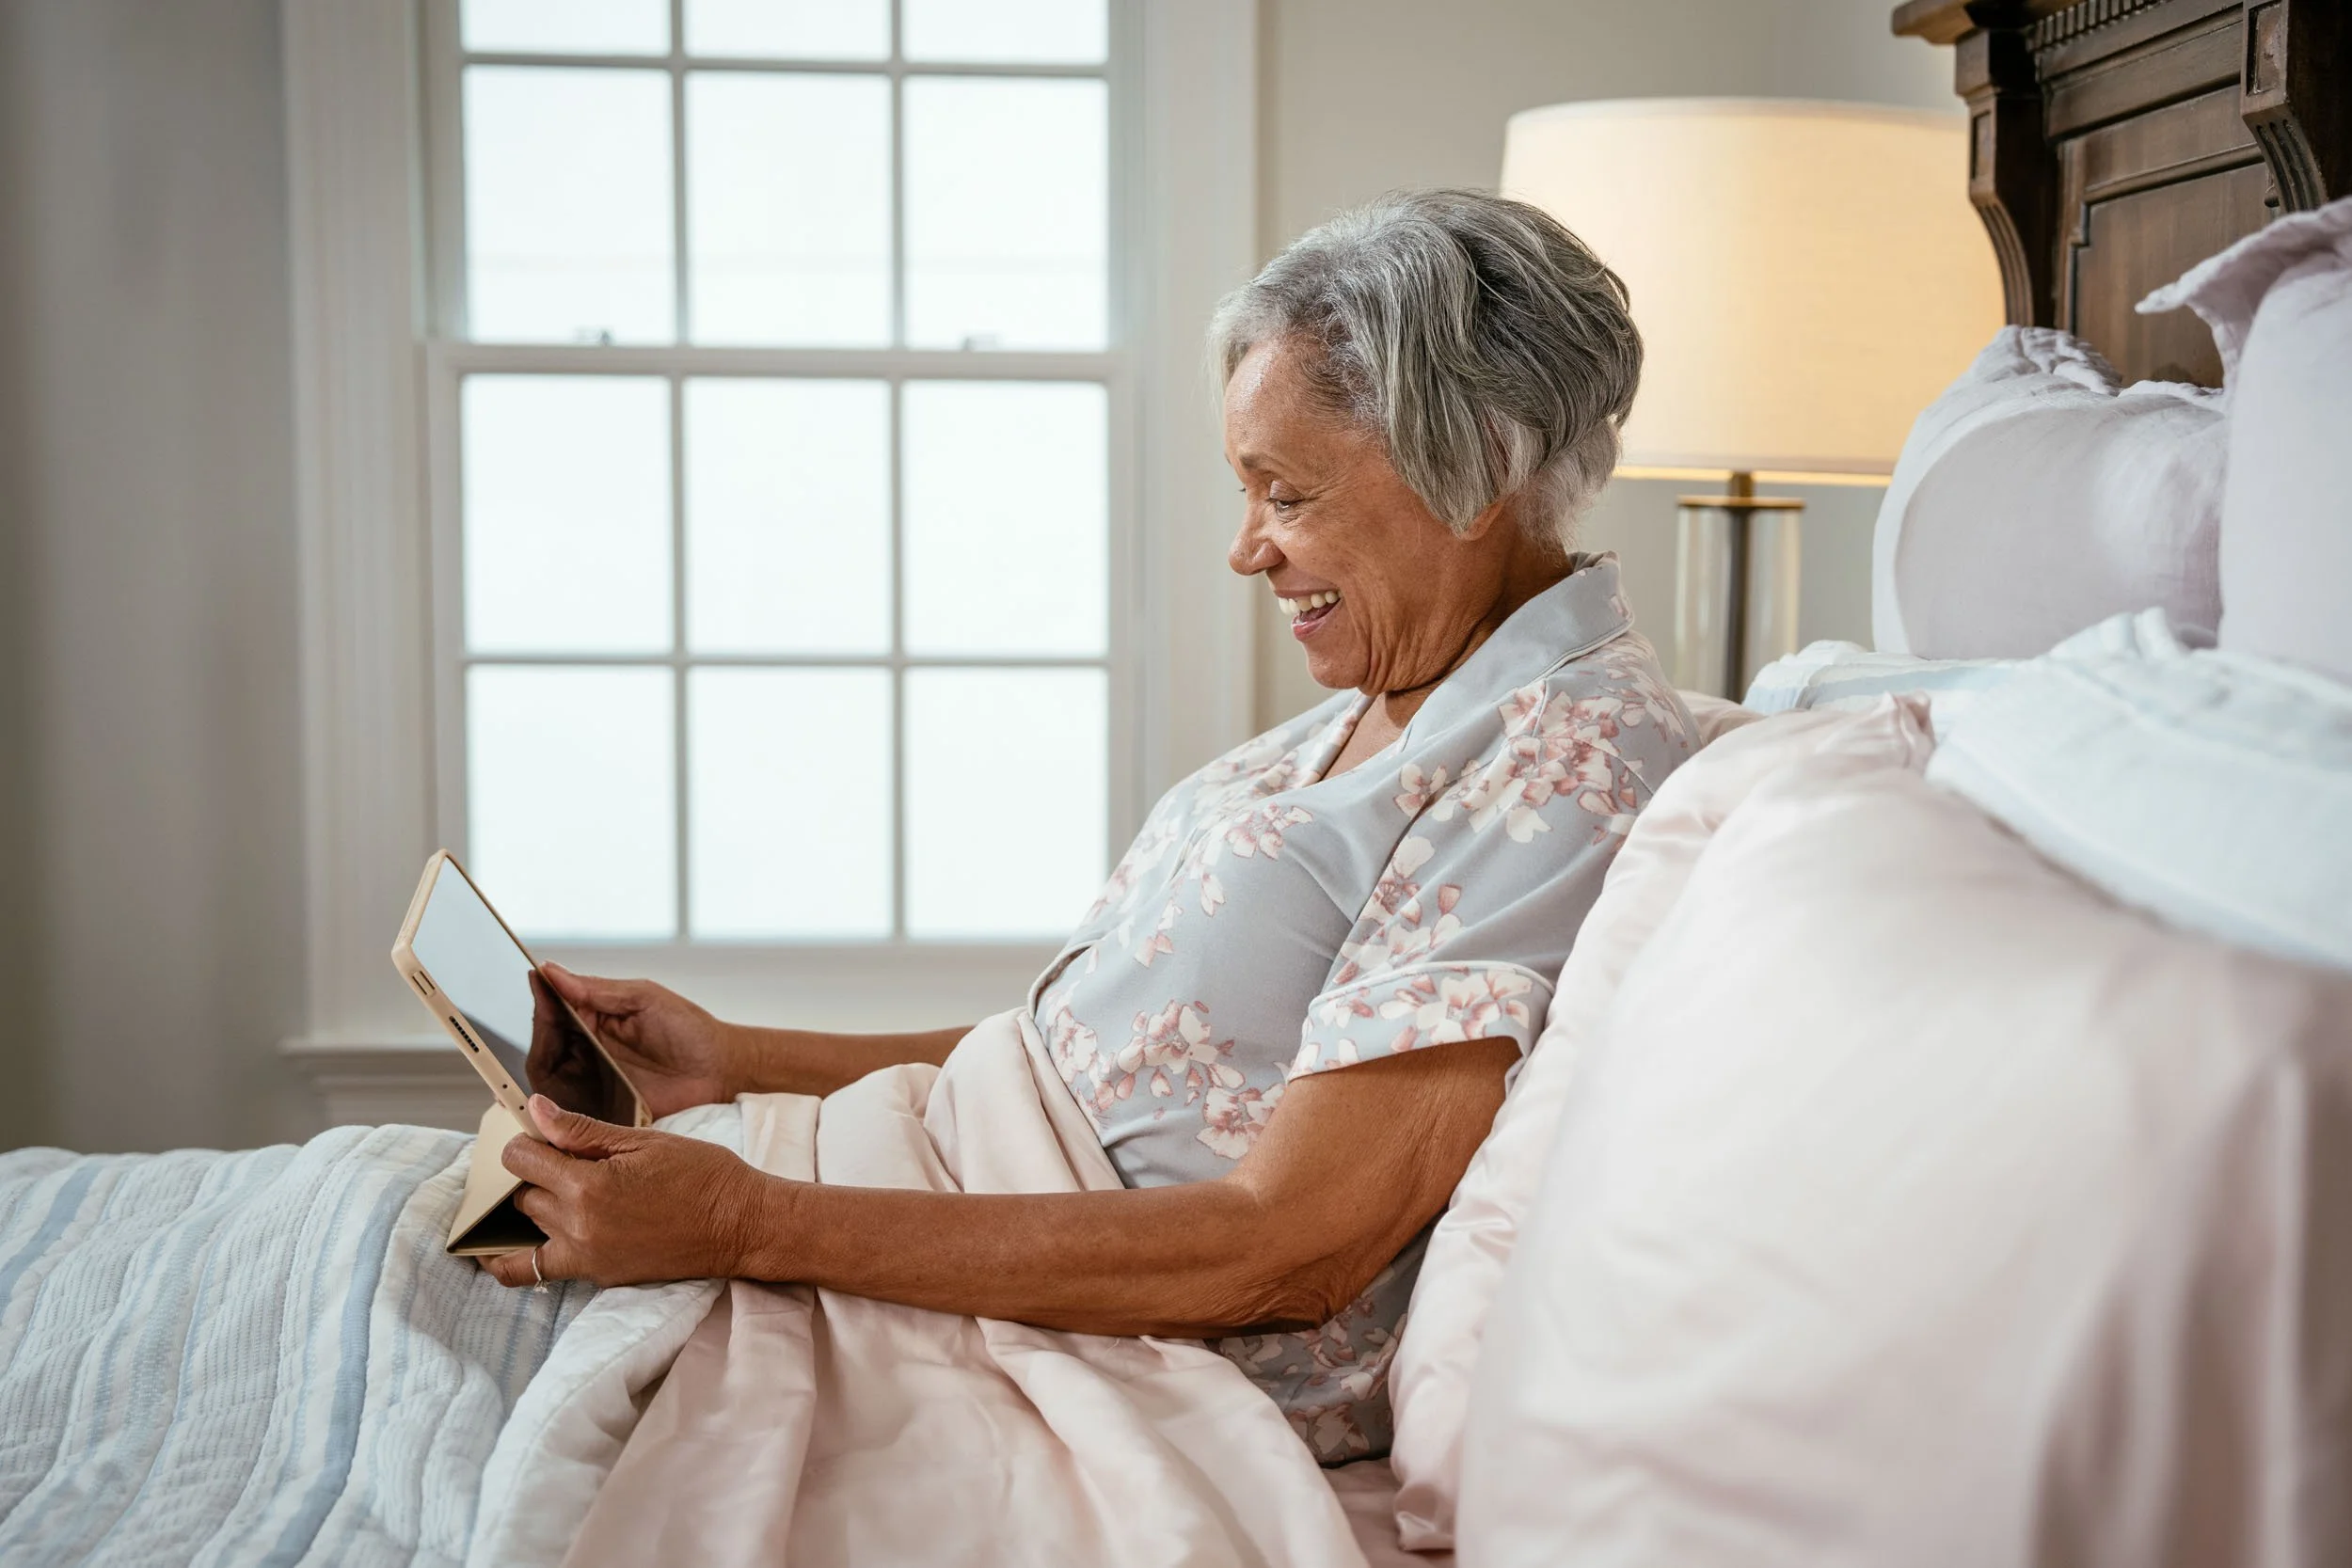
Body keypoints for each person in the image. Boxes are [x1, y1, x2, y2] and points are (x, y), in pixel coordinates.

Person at [485, 189, 1692, 1463]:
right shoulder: (1393, 700)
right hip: (934, 1179)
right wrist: (737, 1057)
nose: (1248, 550)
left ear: (1480, 470)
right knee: (395, 1227)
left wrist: (743, 1222)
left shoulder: (1567, 759)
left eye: (1283, 492)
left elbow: (1286, 1244)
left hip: (1087, 1327)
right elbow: (1105, 1055)